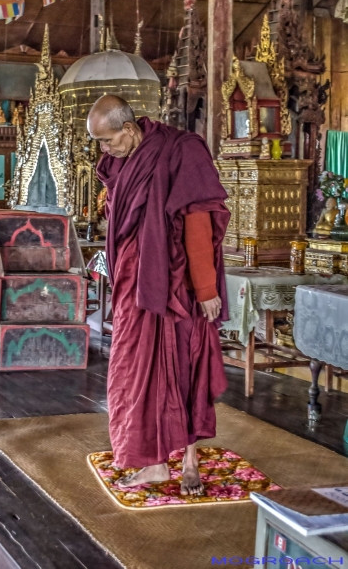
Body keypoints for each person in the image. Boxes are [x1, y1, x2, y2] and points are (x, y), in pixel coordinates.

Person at [87, 94, 230, 496]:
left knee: (181, 369)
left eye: (108, 140)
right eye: (100, 143)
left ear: (129, 130)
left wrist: (206, 288)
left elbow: (197, 220)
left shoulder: (180, 151)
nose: (105, 150)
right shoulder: (122, 160)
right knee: (136, 370)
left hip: (174, 286)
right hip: (135, 285)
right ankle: (151, 463)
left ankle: (188, 461)